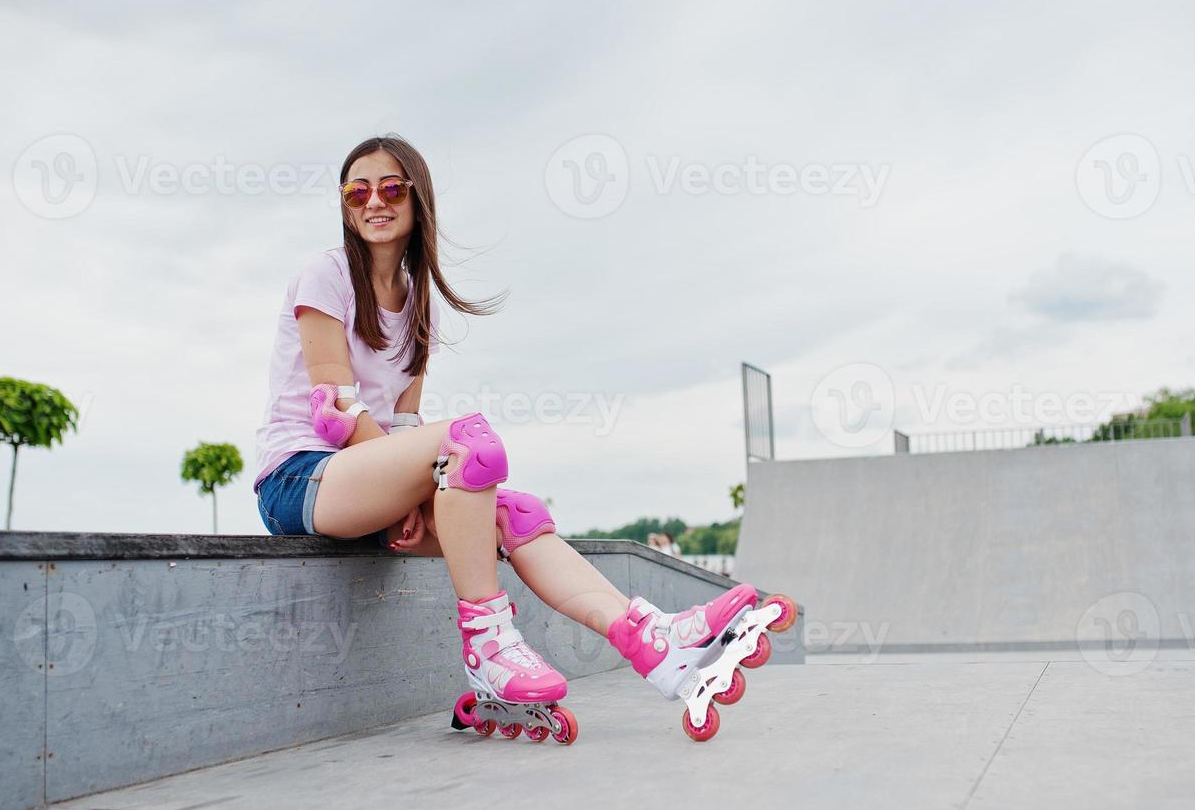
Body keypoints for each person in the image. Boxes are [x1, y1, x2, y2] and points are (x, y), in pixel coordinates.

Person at [251, 135, 794, 742]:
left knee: (516, 514)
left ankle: (652, 643)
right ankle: (489, 651)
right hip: (302, 476)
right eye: (357, 190)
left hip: (364, 480)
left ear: (416, 198)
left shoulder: (419, 306)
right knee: (468, 444)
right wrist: (404, 492)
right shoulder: (325, 275)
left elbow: (405, 423)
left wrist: (402, 494)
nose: (373, 200)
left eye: (390, 187)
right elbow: (333, 410)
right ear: (345, 204)